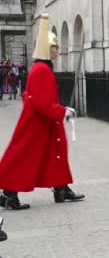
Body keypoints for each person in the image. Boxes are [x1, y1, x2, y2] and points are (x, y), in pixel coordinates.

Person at [0, 13, 85, 210]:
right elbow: (42, 103)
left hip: (43, 122)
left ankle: (61, 188)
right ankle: (10, 192)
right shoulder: (41, 70)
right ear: (47, 49)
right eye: (54, 47)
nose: (57, 50)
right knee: (24, 156)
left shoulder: (40, 68)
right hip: (37, 123)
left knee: (55, 153)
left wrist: (59, 111)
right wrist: (63, 111)